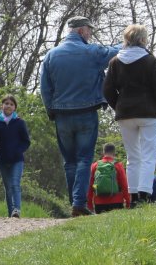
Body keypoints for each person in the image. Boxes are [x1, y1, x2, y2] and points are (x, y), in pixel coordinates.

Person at [39, 16, 121, 216]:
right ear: (82, 31)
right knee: (84, 159)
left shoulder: (51, 55)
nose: (90, 34)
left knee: (70, 161)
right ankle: (78, 203)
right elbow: (116, 51)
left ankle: (75, 202)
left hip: (62, 115)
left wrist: (51, 109)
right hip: (86, 113)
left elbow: (45, 88)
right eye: (89, 30)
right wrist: (126, 40)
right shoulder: (92, 52)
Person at [103, 23, 156, 205]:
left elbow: (107, 89)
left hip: (126, 114)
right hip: (149, 113)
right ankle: (145, 194)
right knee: (148, 155)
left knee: (133, 157)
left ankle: (132, 197)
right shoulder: (150, 61)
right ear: (141, 40)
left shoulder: (115, 62)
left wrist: (119, 106)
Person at [0, 94, 31, 218]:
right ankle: (11, 213)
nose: (8, 106)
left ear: (15, 108)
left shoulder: (19, 123)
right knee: (8, 187)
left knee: (15, 184)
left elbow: (26, 141)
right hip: (2, 160)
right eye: (6, 103)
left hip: (17, 160)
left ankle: (16, 210)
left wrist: (18, 151)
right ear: (1, 106)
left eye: (11, 104)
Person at [87, 143, 132, 214]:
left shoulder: (95, 166)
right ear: (114, 152)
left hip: (99, 203)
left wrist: (90, 205)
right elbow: (124, 185)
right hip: (116, 202)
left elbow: (91, 186)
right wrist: (128, 202)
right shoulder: (118, 165)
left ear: (103, 152)